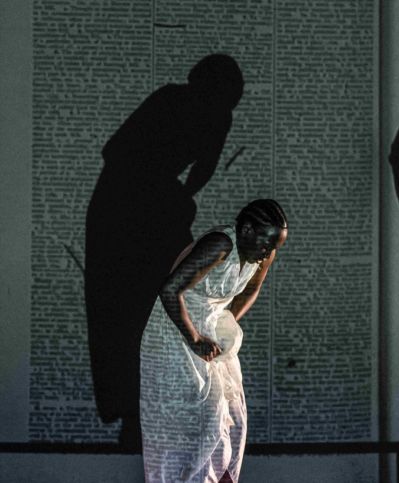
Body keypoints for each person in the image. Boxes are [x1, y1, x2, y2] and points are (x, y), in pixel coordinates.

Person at [85, 54, 244, 447]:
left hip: (149, 207)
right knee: (122, 311)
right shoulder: (174, 100)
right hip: (120, 208)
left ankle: (149, 408)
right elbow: (119, 153)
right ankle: (130, 410)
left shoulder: (211, 113)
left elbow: (200, 171)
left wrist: (176, 198)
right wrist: (170, 196)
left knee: (155, 307)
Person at [140, 199, 288, 483]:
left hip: (210, 334)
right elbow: (170, 290)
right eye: (266, 244)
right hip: (174, 332)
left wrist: (226, 320)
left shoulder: (263, 255)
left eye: (275, 247)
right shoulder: (220, 245)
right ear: (246, 230)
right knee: (199, 421)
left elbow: (250, 291)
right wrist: (194, 337)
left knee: (233, 417)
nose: (269, 252)